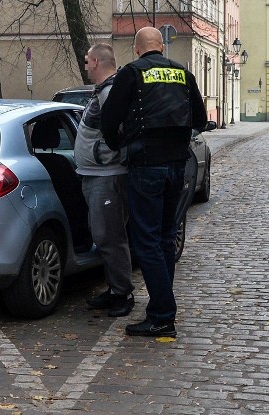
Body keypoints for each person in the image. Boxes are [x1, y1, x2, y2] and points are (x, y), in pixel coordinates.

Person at [101, 27, 207, 337]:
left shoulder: (132, 73)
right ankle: (159, 310)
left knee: (145, 241)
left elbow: (109, 119)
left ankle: (163, 314)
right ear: (162, 46)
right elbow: (199, 120)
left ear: (136, 50)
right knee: (163, 239)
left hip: (146, 165)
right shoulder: (183, 74)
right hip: (178, 165)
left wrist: (117, 144)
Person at [74, 43, 134, 317]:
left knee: (110, 237)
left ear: (96, 61)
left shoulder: (111, 92)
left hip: (108, 175)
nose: (86, 66)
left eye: (87, 61)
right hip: (96, 173)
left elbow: (121, 131)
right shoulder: (105, 90)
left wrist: (105, 155)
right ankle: (114, 289)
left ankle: (122, 294)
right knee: (104, 235)